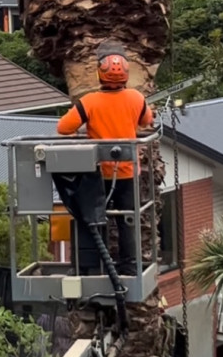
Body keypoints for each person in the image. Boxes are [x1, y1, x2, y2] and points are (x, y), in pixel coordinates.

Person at [56, 48, 154, 274]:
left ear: (101, 74)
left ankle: (98, 265)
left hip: (99, 173)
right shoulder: (136, 98)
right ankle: (129, 267)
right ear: (126, 75)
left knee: (95, 218)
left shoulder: (89, 102)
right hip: (128, 172)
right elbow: (147, 121)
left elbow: (63, 127)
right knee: (126, 221)